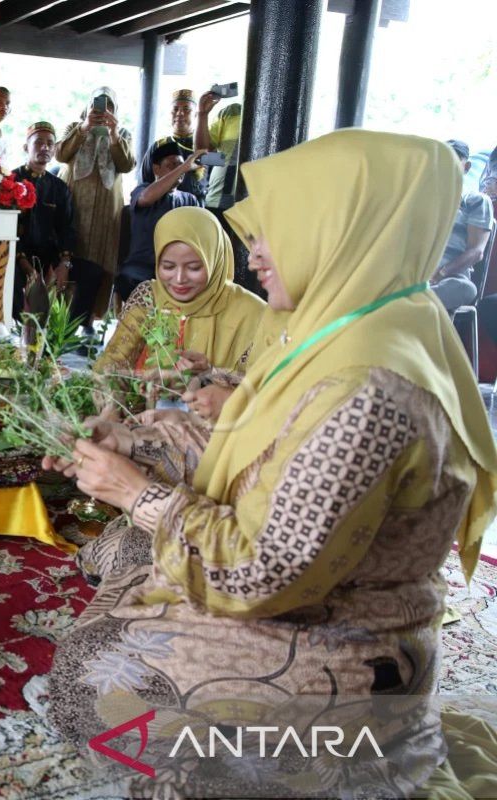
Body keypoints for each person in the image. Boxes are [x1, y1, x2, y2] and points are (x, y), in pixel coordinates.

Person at [45, 130, 497, 797]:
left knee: (86, 684)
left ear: (342, 231)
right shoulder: (358, 322)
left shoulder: (369, 388)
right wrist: (132, 445)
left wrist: (138, 492)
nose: (252, 253)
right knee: (130, 557)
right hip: (314, 590)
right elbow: (252, 447)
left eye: (272, 231)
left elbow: (259, 573)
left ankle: (330, 751)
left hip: (340, 636)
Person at [94, 206, 264, 417]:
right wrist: (111, 409)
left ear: (214, 261)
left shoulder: (253, 313)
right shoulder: (149, 297)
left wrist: (208, 375)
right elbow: (113, 363)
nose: (179, 279)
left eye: (194, 268)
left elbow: (265, 393)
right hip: (136, 423)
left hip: (206, 435)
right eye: (168, 266)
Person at [55, 87, 135, 317]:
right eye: (99, 104)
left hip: (106, 210)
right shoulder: (74, 127)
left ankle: (89, 320)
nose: (104, 110)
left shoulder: (123, 134)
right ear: (89, 105)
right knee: (69, 254)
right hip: (75, 203)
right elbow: (60, 154)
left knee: (100, 260)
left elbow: (127, 165)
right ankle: (60, 318)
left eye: (109, 105)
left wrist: (113, 134)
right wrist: (84, 128)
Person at [11, 122, 99, 329]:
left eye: (50, 143)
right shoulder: (11, 181)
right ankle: (16, 330)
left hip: (50, 257)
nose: (45, 147)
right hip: (18, 256)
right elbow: (9, 229)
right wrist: (27, 268)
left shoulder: (59, 187)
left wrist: (64, 265)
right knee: (11, 277)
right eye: (38, 142)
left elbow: (67, 228)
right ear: (26, 147)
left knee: (91, 272)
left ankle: (68, 332)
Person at [115, 141, 202, 300]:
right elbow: (146, 198)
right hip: (141, 266)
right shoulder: (142, 190)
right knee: (127, 281)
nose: (179, 169)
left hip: (177, 267)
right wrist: (182, 167)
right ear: (156, 168)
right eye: (172, 165)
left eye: (181, 165)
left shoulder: (190, 199)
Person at [430, 139, 493, 314]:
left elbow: (476, 252)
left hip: (449, 278)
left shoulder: (476, 201)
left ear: (467, 167)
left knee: (465, 289)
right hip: (416, 275)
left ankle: (410, 302)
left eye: (454, 163)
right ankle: (412, 300)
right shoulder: (425, 201)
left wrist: (440, 274)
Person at [138, 88, 205, 202]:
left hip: (195, 210)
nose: (179, 113)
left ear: (195, 115)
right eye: (175, 109)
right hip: (163, 209)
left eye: (186, 109)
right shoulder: (159, 146)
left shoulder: (203, 147)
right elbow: (144, 183)